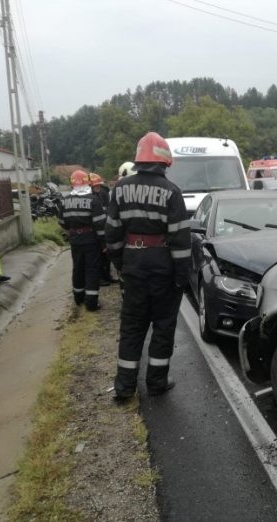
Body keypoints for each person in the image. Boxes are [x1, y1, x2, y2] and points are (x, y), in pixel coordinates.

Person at [106, 131, 190, 399]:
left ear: (139, 158)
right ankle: (156, 382)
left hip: (133, 264)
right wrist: (181, 277)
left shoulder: (119, 189)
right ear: (164, 162)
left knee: (131, 325)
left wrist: (120, 264)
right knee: (163, 326)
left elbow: (112, 233)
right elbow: (180, 240)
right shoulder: (172, 192)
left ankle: (124, 387)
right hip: (162, 266)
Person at [58, 170, 106, 311]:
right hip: (91, 240)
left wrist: (72, 230)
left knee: (77, 268)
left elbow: (62, 222)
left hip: (75, 240)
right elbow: (100, 225)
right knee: (91, 269)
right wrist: (104, 243)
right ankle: (91, 303)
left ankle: (78, 299)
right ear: (87, 183)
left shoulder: (65, 201)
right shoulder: (94, 200)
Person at [90, 173, 117, 285]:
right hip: (94, 232)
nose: (98, 187)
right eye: (95, 186)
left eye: (99, 185)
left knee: (106, 256)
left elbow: (108, 210)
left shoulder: (103, 194)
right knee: (97, 257)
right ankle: (100, 278)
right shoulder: (90, 198)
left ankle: (107, 276)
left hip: (104, 228)